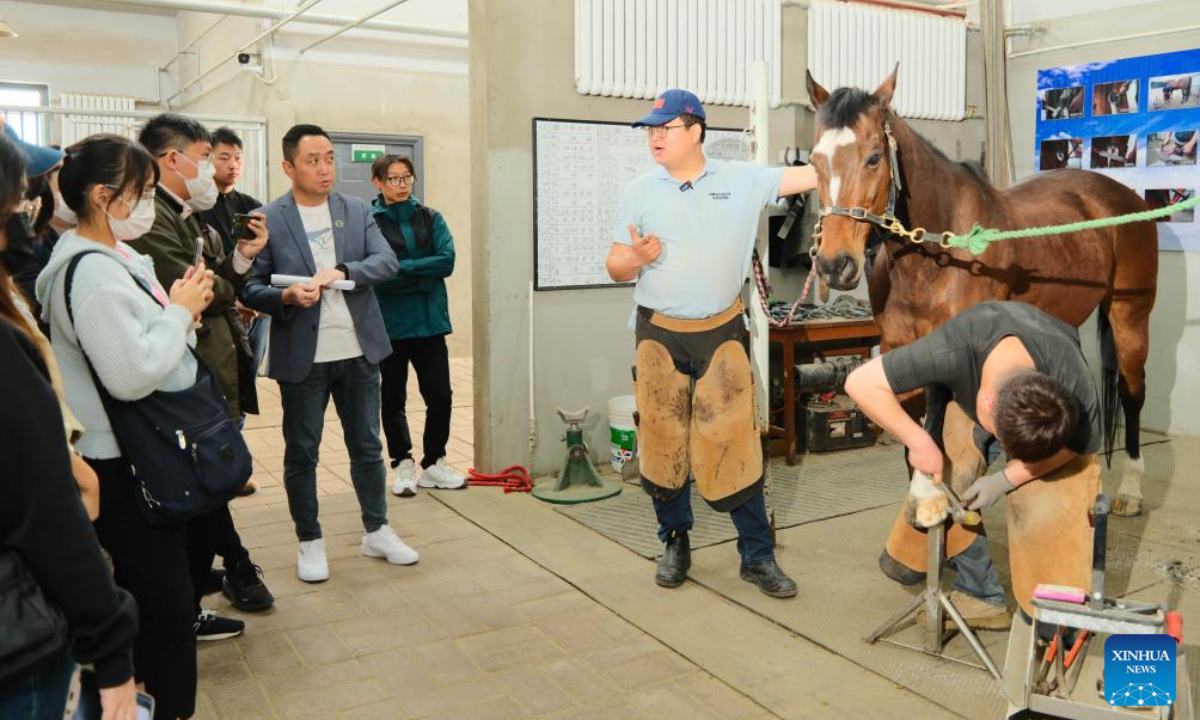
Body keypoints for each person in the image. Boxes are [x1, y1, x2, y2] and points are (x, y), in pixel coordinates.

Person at [605, 89, 818, 598]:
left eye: (666, 128)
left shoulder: (742, 180)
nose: (655, 137)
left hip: (722, 331)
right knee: (662, 440)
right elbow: (615, 267)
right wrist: (636, 257)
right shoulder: (639, 191)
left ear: (696, 130)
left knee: (736, 440)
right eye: (650, 130)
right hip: (658, 333)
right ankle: (675, 542)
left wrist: (850, 136)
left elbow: (814, 175)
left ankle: (756, 555)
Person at [36, 133, 215, 720]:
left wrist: (178, 313)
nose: (145, 204)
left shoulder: (117, 258)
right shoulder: (90, 272)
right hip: (123, 459)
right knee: (163, 606)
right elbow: (132, 374)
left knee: (163, 596)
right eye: (138, 193)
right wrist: (180, 312)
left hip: (139, 450)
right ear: (101, 195)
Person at [844, 300, 1102, 629]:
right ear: (987, 399)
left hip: (1027, 391)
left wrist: (1008, 479)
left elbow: (1076, 448)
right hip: (968, 380)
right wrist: (919, 442)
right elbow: (860, 383)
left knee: (1054, 502)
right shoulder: (951, 347)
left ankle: (1056, 619)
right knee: (951, 474)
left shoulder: (1073, 382)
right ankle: (980, 593)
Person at [0, 128, 140, 720]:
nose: (28, 207)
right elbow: (45, 511)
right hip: (18, 649)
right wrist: (110, 651)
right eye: (19, 193)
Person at [241, 123, 416, 583]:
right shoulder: (270, 218)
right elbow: (251, 286)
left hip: (358, 350)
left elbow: (386, 261)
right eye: (312, 160)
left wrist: (341, 270)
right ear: (288, 166)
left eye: (329, 159)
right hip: (303, 356)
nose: (324, 169)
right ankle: (310, 540)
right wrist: (285, 298)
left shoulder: (355, 209)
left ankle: (376, 529)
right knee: (302, 452)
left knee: (367, 445)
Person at [132, 114, 274, 634]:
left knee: (209, 488)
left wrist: (236, 262)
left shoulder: (183, 212)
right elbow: (192, 286)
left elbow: (211, 281)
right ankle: (192, 605)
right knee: (202, 486)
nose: (213, 167)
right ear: (174, 159)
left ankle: (210, 581)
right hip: (187, 371)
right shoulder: (151, 218)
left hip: (211, 363)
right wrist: (225, 288)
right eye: (205, 156)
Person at [368, 154, 466, 496]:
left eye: (406, 178)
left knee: (440, 395)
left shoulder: (431, 217)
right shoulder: (370, 222)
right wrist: (420, 272)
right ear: (377, 182)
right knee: (393, 397)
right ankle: (402, 463)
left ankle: (433, 463)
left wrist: (402, 268)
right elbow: (378, 272)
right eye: (393, 179)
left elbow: (447, 260)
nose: (401, 184)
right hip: (390, 324)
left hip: (429, 322)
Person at [197, 126, 270, 381]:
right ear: (208, 161)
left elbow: (265, 259)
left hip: (255, 307)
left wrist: (256, 299)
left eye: (238, 158)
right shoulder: (198, 208)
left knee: (247, 378)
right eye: (224, 157)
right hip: (216, 307)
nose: (233, 164)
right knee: (220, 380)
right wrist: (233, 300)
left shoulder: (253, 207)